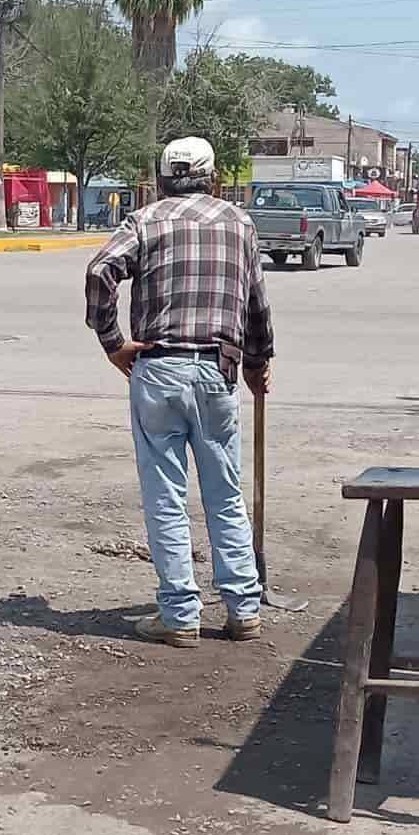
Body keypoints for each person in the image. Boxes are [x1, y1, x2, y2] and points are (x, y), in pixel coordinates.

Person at [85, 137, 275, 648]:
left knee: (166, 496)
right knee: (225, 495)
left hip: (159, 370)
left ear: (163, 178)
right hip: (218, 372)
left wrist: (113, 344)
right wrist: (258, 363)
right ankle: (243, 607)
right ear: (212, 178)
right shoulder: (240, 224)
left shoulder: (145, 222)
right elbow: (256, 303)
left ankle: (180, 613)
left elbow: (101, 271)